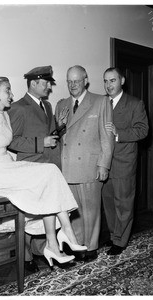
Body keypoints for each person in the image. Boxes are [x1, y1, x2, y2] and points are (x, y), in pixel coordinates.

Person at [0, 76, 87, 270]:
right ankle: (65, 235)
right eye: (7, 90)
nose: (11, 95)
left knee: (50, 175)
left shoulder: (4, 115)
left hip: (6, 166)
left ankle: (55, 243)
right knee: (48, 173)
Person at [7, 66, 64, 273]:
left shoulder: (47, 106)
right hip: (30, 169)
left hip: (49, 168)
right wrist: (41, 142)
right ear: (33, 83)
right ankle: (25, 257)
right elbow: (11, 141)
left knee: (48, 213)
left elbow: (49, 135)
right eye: (46, 82)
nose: (49, 86)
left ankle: (46, 250)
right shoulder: (18, 107)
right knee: (29, 215)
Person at [55, 65, 114, 262]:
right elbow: (62, 137)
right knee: (75, 211)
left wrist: (104, 165)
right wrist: (60, 126)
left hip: (90, 165)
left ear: (85, 80)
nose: (73, 85)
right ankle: (77, 244)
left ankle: (91, 247)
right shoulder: (61, 104)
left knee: (91, 210)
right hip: (68, 166)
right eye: (69, 81)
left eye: (77, 81)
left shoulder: (100, 101)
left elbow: (106, 137)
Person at [102, 67, 149, 255]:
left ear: (122, 81)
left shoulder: (135, 104)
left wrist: (118, 134)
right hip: (105, 163)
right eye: (105, 81)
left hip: (124, 163)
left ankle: (120, 241)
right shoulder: (102, 103)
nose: (108, 85)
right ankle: (114, 236)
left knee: (124, 204)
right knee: (109, 203)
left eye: (112, 80)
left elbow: (143, 130)